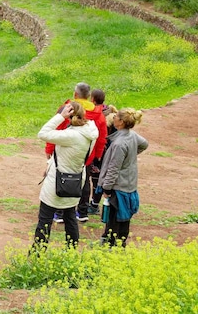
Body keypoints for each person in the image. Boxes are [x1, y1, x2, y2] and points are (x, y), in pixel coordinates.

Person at [32, 101, 99, 251]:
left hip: (57, 181)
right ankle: (71, 252)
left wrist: (59, 117)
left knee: (45, 219)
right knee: (70, 218)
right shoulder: (90, 131)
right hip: (75, 179)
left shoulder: (71, 135)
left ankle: (37, 254)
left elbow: (42, 133)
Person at [46, 82, 107, 223]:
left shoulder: (66, 109)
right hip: (87, 153)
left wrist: (49, 149)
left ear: (75, 94)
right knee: (84, 180)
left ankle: (60, 212)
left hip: (65, 152)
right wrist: (97, 154)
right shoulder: (98, 113)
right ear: (90, 96)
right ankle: (83, 211)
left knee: (61, 176)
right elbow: (102, 136)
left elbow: (55, 129)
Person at [97, 108, 147, 247]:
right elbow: (144, 144)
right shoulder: (131, 135)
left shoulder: (119, 144)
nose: (114, 118)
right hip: (129, 183)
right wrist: (130, 157)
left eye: (116, 117)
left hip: (118, 185)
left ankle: (114, 245)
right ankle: (118, 242)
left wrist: (106, 188)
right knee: (124, 216)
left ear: (121, 122)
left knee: (115, 216)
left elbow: (113, 168)